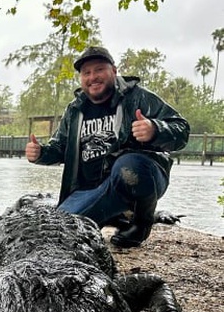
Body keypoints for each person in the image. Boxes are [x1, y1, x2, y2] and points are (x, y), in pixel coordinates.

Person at [25, 46, 189, 248]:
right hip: (89, 190)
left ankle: (141, 224)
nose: (93, 77)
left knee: (129, 166)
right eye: (86, 73)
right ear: (81, 78)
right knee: (58, 230)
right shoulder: (75, 109)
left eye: (99, 70)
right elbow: (60, 148)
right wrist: (41, 153)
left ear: (114, 71)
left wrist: (155, 129)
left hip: (137, 177)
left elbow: (181, 129)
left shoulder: (138, 97)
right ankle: (114, 216)